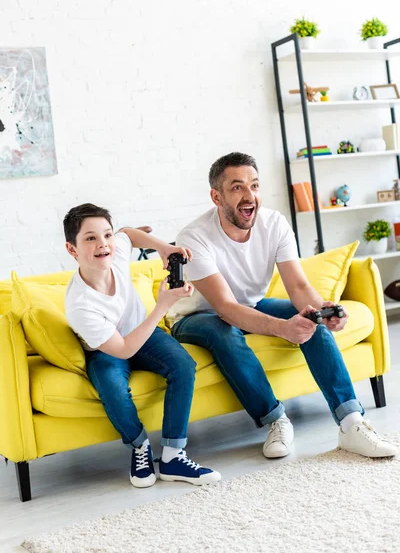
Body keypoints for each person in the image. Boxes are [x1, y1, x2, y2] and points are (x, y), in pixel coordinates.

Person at [167, 152, 398, 459]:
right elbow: (225, 307)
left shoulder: (274, 223)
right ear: (216, 196)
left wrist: (321, 310)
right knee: (221, 329)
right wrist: (282, 329)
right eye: (237, 187)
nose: (250, 195)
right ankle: (275, 420)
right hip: (197, 315)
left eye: (255, 185)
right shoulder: (194, 237)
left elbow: (299, 286)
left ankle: (351, 423)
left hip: (251, 303)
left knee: (309, 320)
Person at [63, 203, 221, 488]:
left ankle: (173, 455)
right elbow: (123, 349)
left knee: (183, 365)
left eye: (106, 235)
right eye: (90, 238)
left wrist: (163, 248)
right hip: (108, 348)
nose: (103, 244)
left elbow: (128, 234)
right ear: (71, 249)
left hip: (143, 333)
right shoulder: (80, 305)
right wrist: (163, 305)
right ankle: (139, 447)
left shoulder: (117, 252)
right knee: (112, 388)